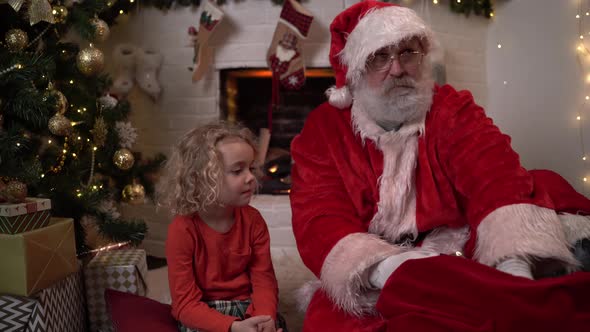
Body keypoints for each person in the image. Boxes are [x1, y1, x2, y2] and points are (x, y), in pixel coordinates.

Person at [289, 1, 590, 331]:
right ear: (358, 71)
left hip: (456, 242)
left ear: (423, 57)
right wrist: (389, 267)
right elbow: (318, 216)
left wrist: (514, 266)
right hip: (378, 262)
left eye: (408, 53)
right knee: (332, 320)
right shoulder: (323, 129)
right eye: (379, 57)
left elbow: (494, 175)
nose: (398, 68)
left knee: (542, 187)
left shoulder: (453, 108)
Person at [158, 122, 286, 332]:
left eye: (251, 168)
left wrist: (265, 318)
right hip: (202, 312)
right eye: (238, 170)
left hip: (248, 307)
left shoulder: (253, 221)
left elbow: (264, 281)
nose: (251, 177)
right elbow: (184, 304)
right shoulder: (182, 229)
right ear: (203, 179)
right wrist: (233, 327)